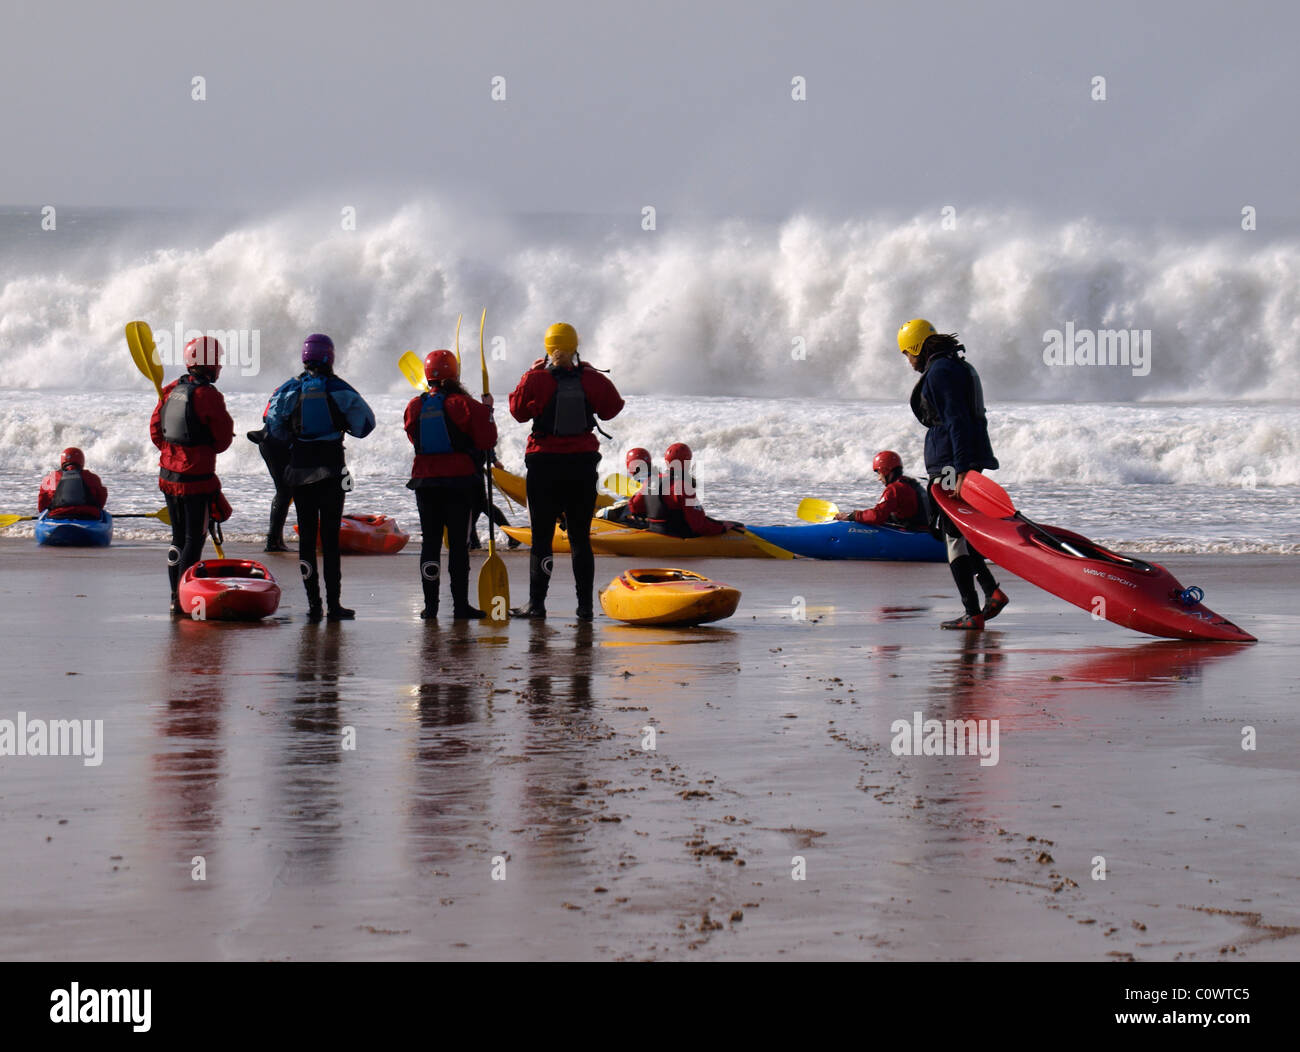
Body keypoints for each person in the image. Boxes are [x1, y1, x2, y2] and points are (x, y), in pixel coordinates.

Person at [507, 322, 624, 619]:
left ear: (546, 348)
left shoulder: (535, 378)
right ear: (575, 345)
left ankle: (537, 604)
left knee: (542, 537)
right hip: (582, 466)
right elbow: (613, 409)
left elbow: (518, 412)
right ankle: (584, 607)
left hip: (544, 466)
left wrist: (529, 374)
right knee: (580, 538)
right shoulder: (592, 379)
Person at [898, 318, 1009, 629]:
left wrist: (959, 471)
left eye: (908, 353)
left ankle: (972, 612)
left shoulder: (941, 372)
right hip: (956, 461)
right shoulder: (956, 366)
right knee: (954, 533)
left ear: (918, 347)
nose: (909, 361)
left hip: (950, 465)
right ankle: (991, 592)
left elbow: (957, 422)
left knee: (952, 538)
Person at [265, 334, 375, 622]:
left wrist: (293, 435)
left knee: (306, 542)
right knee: (329, 539)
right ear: (330, 357)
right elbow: (365, 425)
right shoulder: (340, 388)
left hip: (299, 471)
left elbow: (273, 425)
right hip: (331, 471)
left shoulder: (289, 389)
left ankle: (313, 606)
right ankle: (334, 605)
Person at [404, 348, 498, 619]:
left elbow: (414, 438)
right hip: (459, 482)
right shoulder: (466, 405)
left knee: (430, 544)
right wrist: (488, 408)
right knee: (458, 545)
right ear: (454, 374)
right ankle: (460, 607)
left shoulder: (414, 406)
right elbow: (487, 440)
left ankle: (430, 608)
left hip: (424, 482)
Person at [149, 336, 235, 616]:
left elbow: (155, 431)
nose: (220, 367)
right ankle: (182, 600)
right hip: (195, 480)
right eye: (218, 362)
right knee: (193, 540)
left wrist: (172, 453)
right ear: (208, 364)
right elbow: (222, 442)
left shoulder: (170, 389)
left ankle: (175, 597)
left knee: (177, 538)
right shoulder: (209, 395)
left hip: (168, 476)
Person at [627, 443, 737, 537]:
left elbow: (634, 507)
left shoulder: (650, 481)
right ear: (687, 463)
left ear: (666, 462)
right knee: (732, 526)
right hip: (677, 535)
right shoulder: (684, 487)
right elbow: (699, 526)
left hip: (654, 530)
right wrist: (722, 529)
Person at [246, 385, 294, 551]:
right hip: (278, 443)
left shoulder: (288, 387)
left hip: (267, 441)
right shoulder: (311, 392)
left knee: (286, 491)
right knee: (286, 491)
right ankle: (273, 541)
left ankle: (275, 540)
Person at [834, 450, 930, 530]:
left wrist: (852, 516)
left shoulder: (895, 489)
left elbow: (877, 515)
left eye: (879, 473)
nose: (879, 478)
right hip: (925, 532)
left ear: (886, 471)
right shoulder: (910, 483)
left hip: (913, 535)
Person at [38, 448, 108, 520]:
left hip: (57, 516)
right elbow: (101, 498)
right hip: (88, 516)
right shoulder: (92, 477)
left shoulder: (51, 478)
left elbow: (42, 503)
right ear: (81, 461)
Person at [468, 453, 520, 550]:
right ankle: (473, 540)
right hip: (467, 465)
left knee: (478, 504)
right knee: (476, 504)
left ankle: (472, 540)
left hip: (470, 465)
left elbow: (484, 439)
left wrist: (493, 459)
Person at [596, 447, 652, 525]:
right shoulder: (660, 479)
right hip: (659, 520)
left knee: (601, 513)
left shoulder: (639, 484)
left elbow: (617, 511)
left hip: (644, 524)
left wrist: (602, 513)